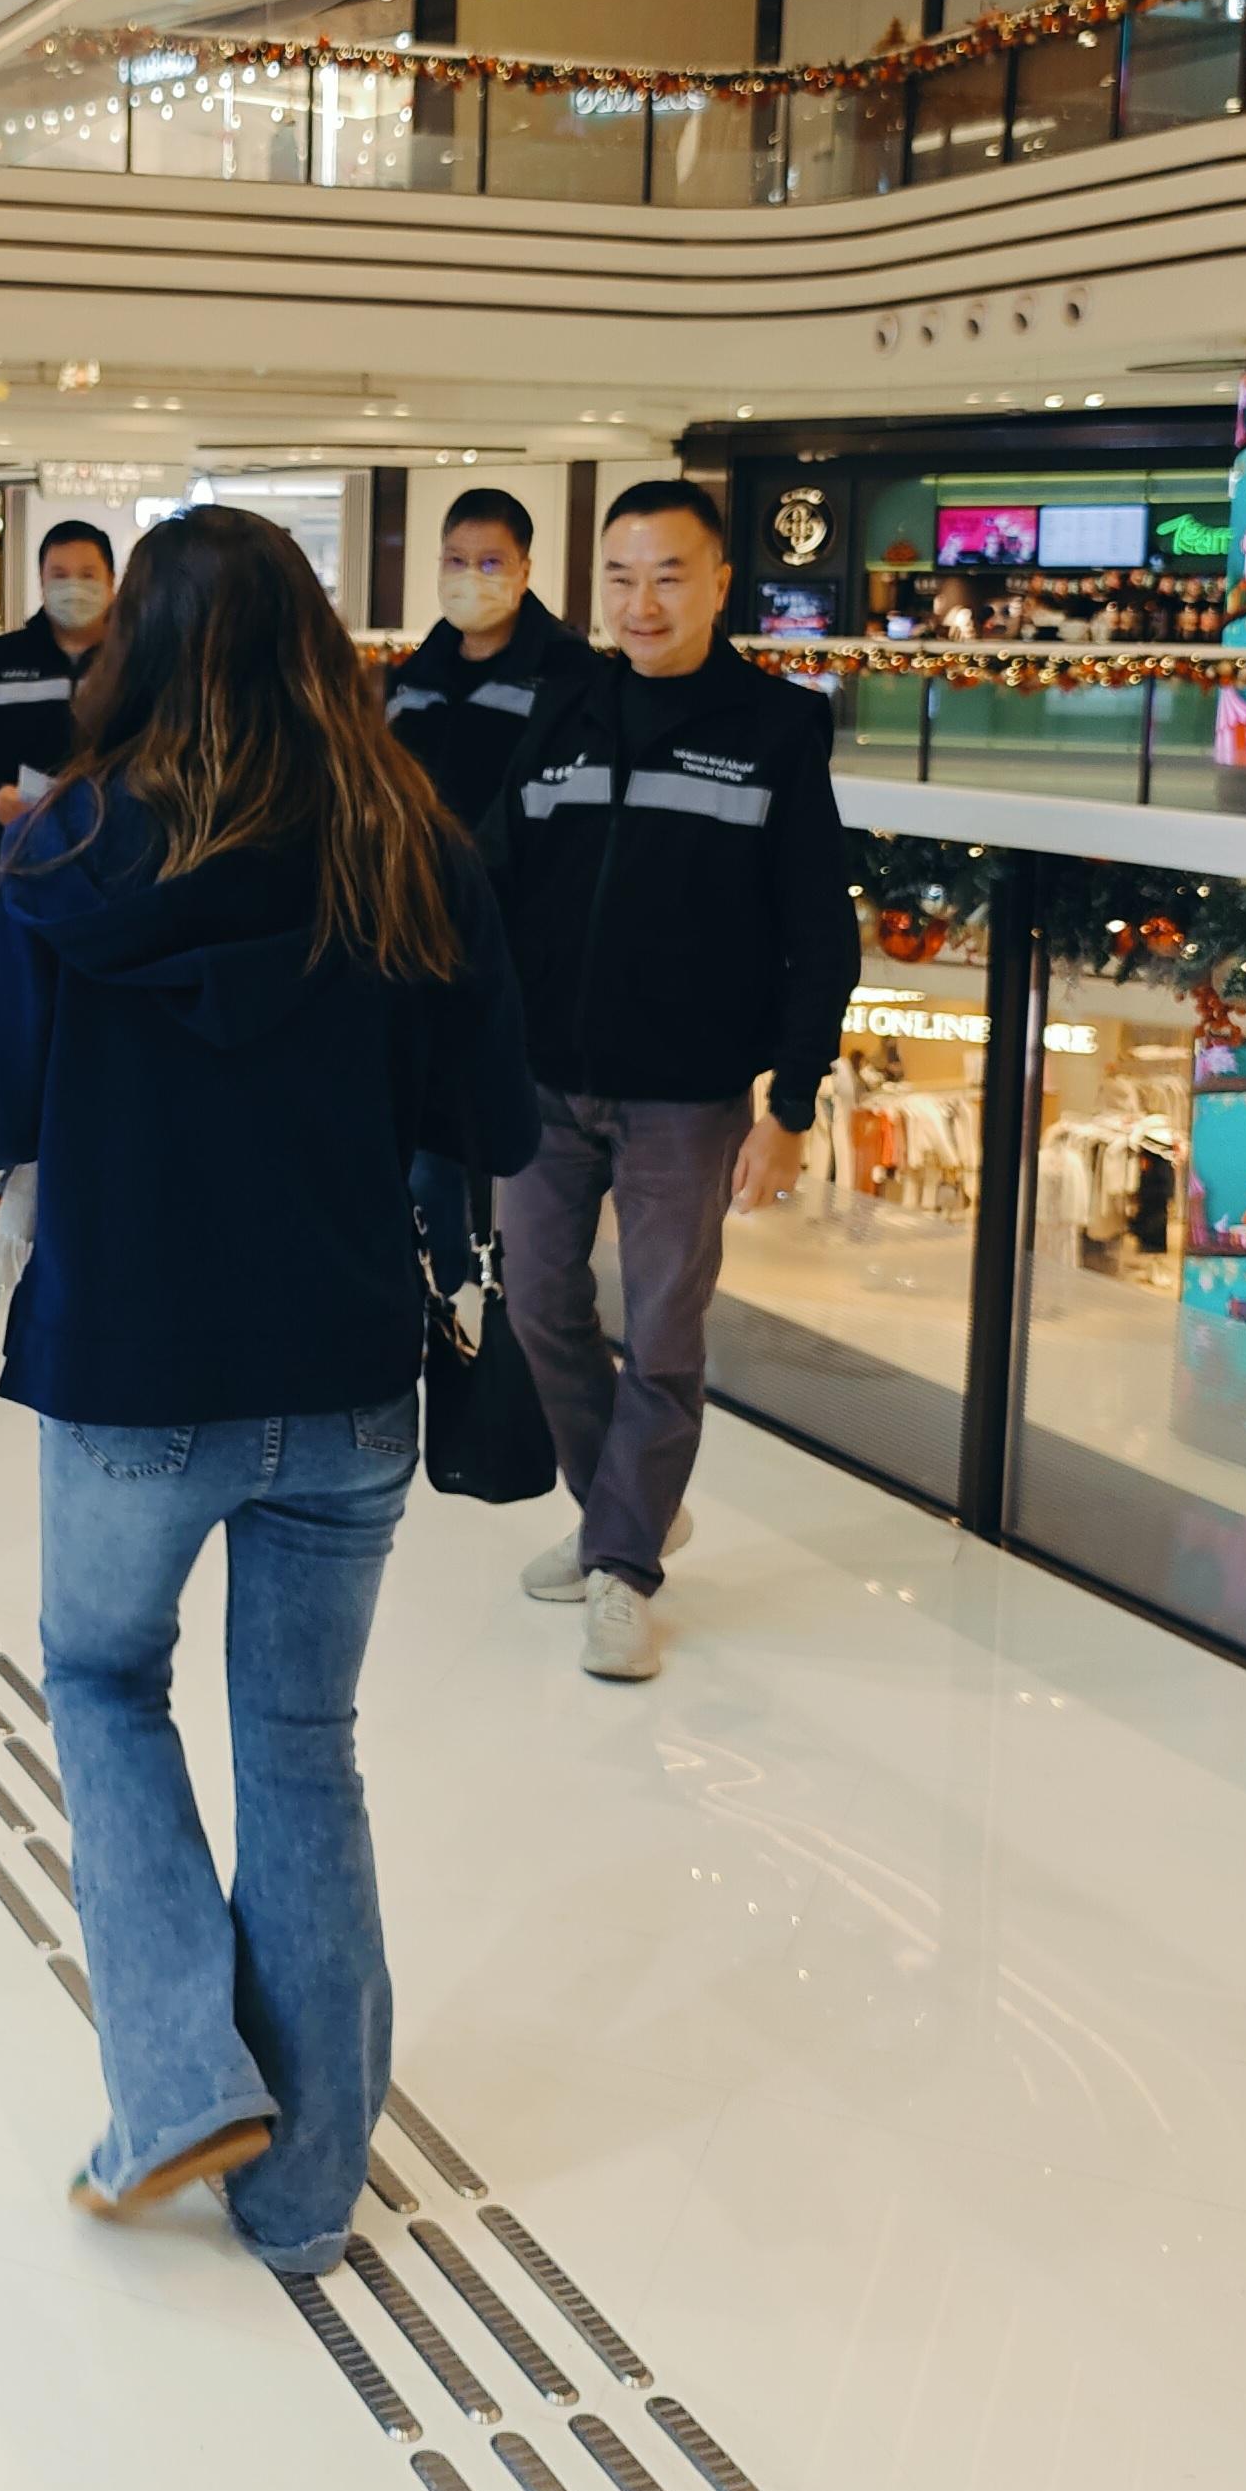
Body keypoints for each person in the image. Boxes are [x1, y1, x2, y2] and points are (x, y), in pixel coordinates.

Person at [0, 507, 536, 2276]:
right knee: (300, 1745)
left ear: (134, 652)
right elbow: (492, 1125)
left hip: (134, 1370)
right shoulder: (409, 846)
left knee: (105, 1684)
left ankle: (180, 2073)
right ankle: (306, 2186)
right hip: (345, 1375)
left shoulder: (67, 846)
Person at [482, 478, 858, 1684]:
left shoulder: (774, 729)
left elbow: (819, 935)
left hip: (684, 1097)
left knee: (661, 1336)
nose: (641, 604)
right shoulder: (561, 705)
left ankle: (624, 1571)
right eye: (619, 578)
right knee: (539, 1308)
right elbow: (493, 879)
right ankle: (623, 1521)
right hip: (542, 1079)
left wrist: (790, 1104)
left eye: (668, 576)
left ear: (717, 585)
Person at [381, 486, 594, 1292]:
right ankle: (437, 1279)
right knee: (427, 1137)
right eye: (456, 561)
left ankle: (500, 1283)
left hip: (515, 941)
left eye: (490, 562)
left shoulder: (566, 673)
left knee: (505, 1130)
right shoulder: (417, 673)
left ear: (525, 568)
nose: (470, 577)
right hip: (412, 936)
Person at [0, 520, 114, 858]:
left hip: (118, 860)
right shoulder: (3, 659)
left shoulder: (137, 659)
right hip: (22, 856)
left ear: (111, 582)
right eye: (60, 575)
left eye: (87, 575)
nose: (73, 587)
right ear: (42, 582)